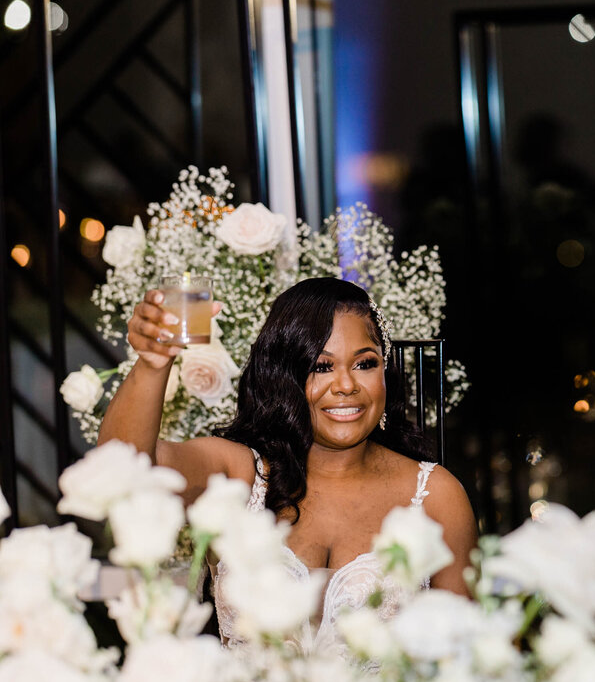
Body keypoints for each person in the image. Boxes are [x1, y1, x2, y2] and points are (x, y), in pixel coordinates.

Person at [98, 277, 477, 648]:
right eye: (321, 366)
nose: (346, 385)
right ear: (284, 377)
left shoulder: (434, 496)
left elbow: (466, 659)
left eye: (365, 363)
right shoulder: (240, 476)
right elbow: (123, 470)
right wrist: (152, 364)